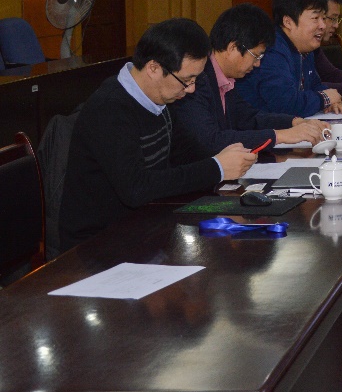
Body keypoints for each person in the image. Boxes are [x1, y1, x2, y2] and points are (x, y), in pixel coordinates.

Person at [59, 18, 256, 250]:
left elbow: (185, 152)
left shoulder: (160, 98)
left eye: (196, 80)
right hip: (98, 243)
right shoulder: (109, 108)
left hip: (146, 225)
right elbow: (136, 188)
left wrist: (224, 156)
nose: (191, 89)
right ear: (153, 68)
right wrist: (217, 167)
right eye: (186, 80)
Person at [171, 3, 333, 162]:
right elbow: (211, 140)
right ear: (233, 48)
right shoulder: (196, 79)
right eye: (256, 56)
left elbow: (249, 118)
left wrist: (295, 122)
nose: (257, 64)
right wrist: (281, 136)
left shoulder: (225, 78)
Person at [235, 0, 342, 118]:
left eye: (324, 18)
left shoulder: (305, 49)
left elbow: (314, 86)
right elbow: (286, 104)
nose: (323, 26)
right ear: (288, 22)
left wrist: (331, 100)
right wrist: (324, 98)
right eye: (315, 18)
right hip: (256, 128)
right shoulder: (271, 49)